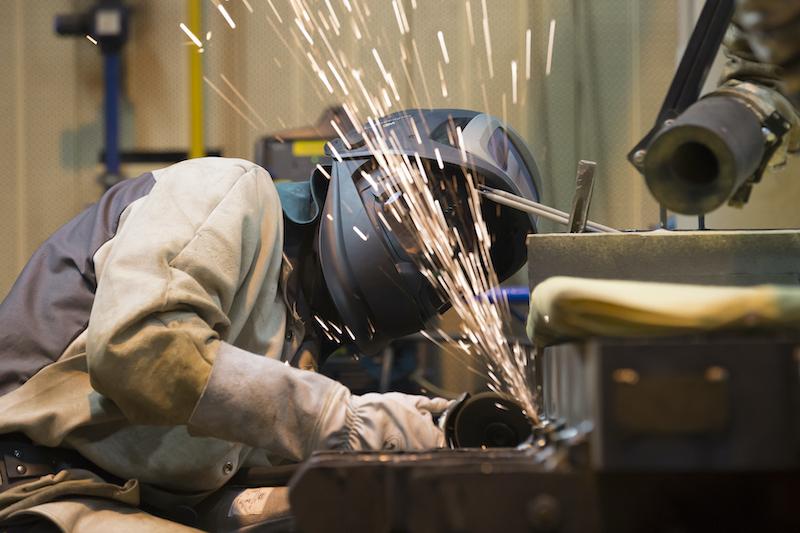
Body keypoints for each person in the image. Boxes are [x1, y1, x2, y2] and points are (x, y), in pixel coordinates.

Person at [0, 108, 540, 530]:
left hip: (134, 497)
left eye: (459, 260)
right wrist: (350, 423)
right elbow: (144, 352)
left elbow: (242, 444)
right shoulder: (230, 191)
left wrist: (439, 431)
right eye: (438, 226)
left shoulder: (301, 331)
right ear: (377, 179)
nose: (433, 268)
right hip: (40, 486)